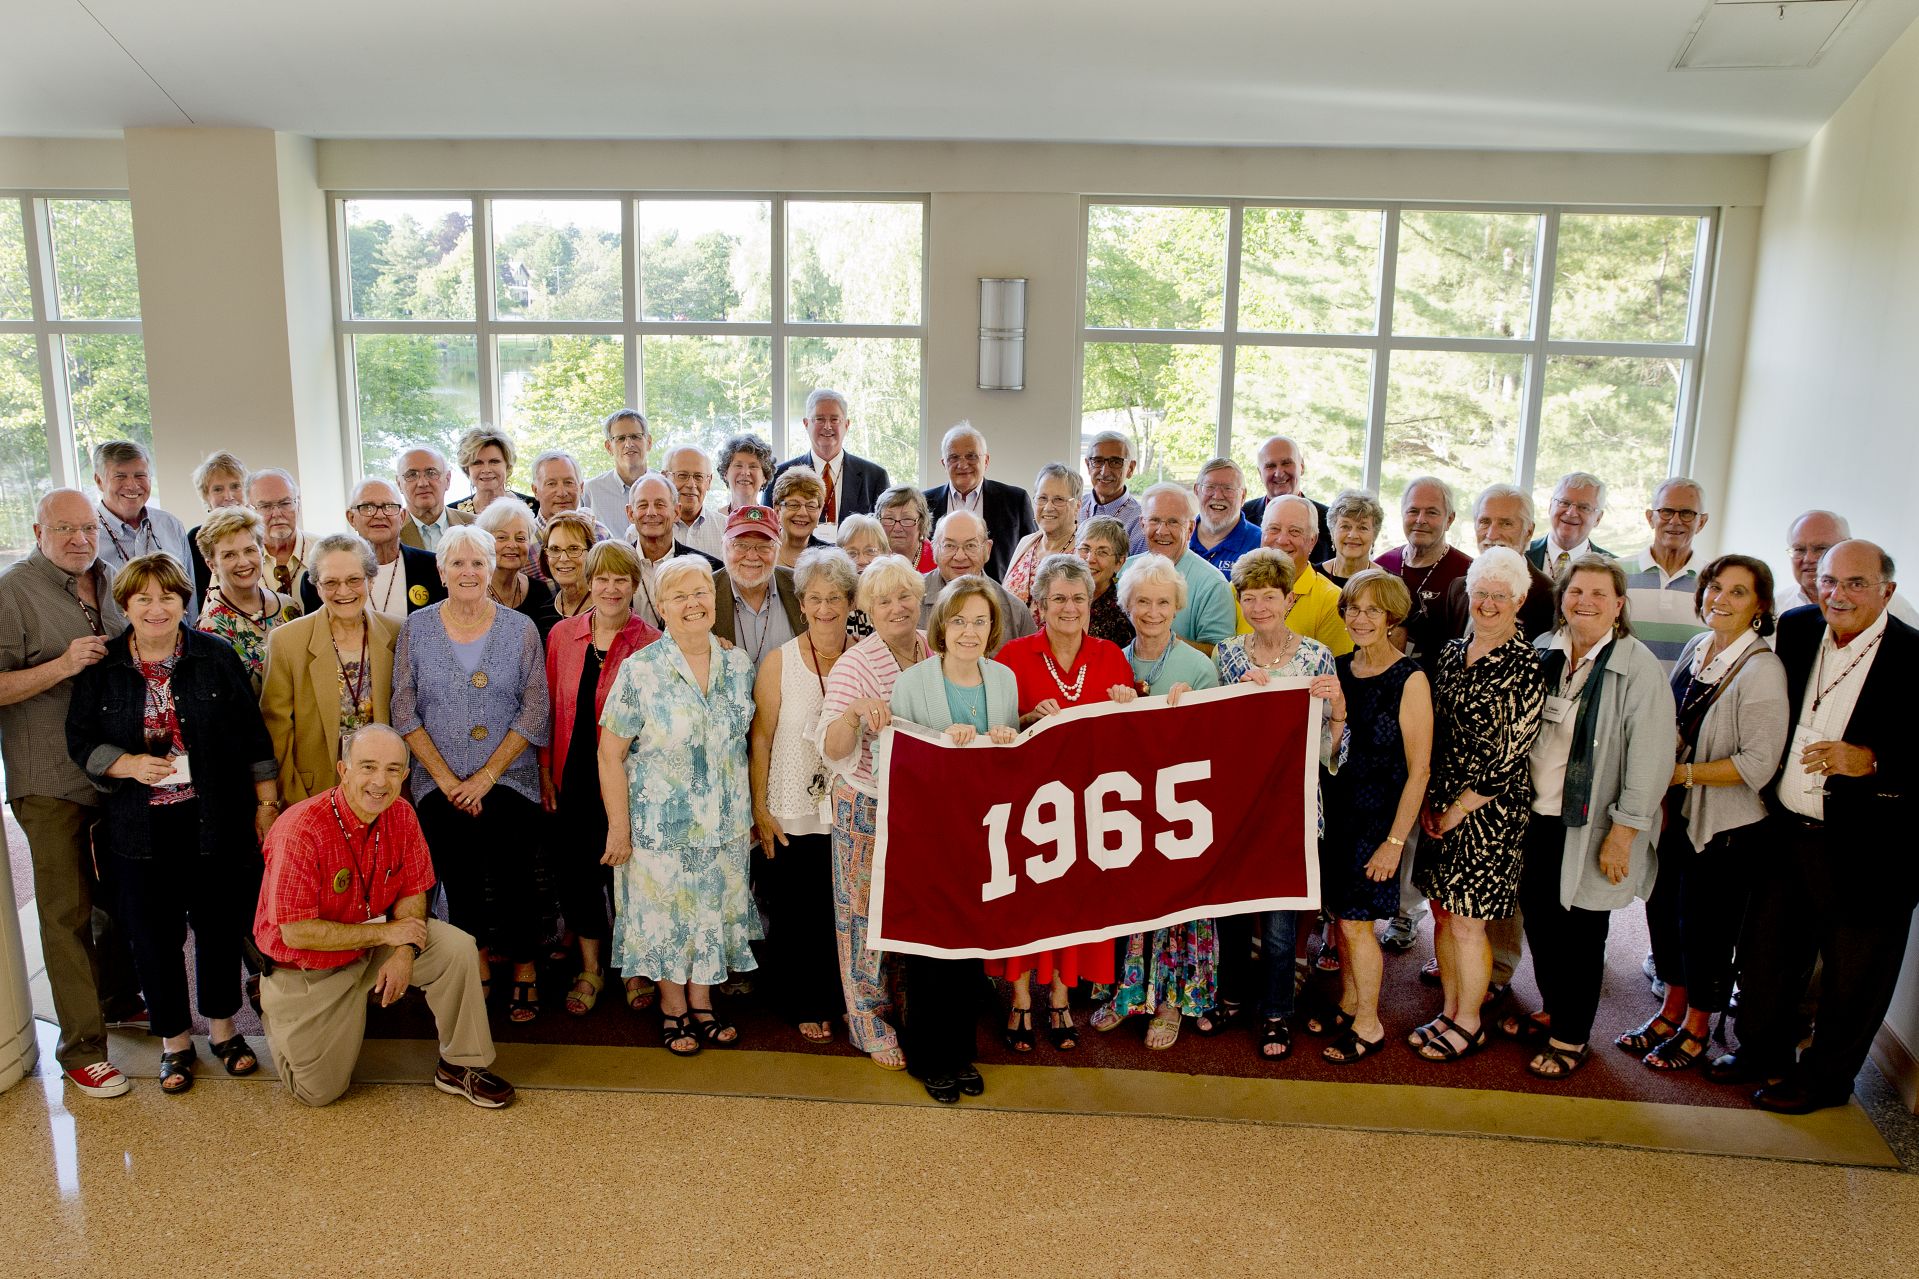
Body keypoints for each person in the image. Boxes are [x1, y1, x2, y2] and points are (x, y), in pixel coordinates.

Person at [1710, 541, 1917, 1113]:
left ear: (1886, 591)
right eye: (1829, 581)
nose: (1838, 594)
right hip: (1786, 832)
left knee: (1854, 978)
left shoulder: (1914, 655)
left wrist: (1872, 760)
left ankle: (1826, 1081)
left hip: (1872, 848)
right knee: (1767, 954)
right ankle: (1761, 1053)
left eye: (1855, 583)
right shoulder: (1799, 629)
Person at [66, 553, 281, 1095]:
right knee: (152, 936)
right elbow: (81, 741)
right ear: (126, 606)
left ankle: (224, 1031)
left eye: (168, 597)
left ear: (184, 601)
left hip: (214, 820)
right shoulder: (104, 666)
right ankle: (174, 1043)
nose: (157, 609)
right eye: (144, 599)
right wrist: (128, 764)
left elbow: (254, 738)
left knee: (216, 929)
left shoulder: (215, 656)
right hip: (137, 828)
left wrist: (264, 805)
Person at [252, 724, 513, 1109]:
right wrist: (388, 936)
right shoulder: (299, 829)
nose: (380, 781)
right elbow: (296, 932)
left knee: (456, 947)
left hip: (373, 943)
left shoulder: (402, 815)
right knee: (319, 1093)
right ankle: (274, 1004)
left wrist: (405, 950)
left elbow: (413, 889)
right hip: (309, 967)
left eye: (393, 770)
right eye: (368, 767)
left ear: (405, 776)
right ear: (343, 770)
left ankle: (461, 1065)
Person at [1510, 554, 1673, 1081]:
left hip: (1593, 823)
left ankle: (1572, 1037)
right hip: (1537, 813)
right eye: (1576, 592)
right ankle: (1555, 1007)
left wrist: (1624, 833)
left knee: (1581, 933)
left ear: (1619, 605)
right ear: (1562, 599)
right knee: (1540, 918)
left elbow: (1651, 760)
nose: (1585, 602)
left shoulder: (1637, 666)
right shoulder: (1542, 652)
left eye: (1599, 594)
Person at [1622, 554, 1787, 1070]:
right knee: (1664, 914)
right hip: (1677, 814)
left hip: (1725, 828)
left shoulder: (1761, 670)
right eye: (1715, 586)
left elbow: (1758, 764)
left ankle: (1697, 1027)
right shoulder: (1699, 648)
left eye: (1738, 592)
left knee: (1705, 929)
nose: (1721, 598)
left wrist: (1685, 774)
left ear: (1759, 605)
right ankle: (1670, 1010)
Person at [0, 490, 140, 1098]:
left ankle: (112, 999)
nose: (80, 538)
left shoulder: (107, 581)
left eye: (88, 527)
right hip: (47, 777)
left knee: (118, 898)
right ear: (38, 530)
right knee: (64, 912)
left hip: (109, 770)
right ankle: (82, 1049)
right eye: (65, 528)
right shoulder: (13, 591)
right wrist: (61, 666)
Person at [601, 555, 762, 1056]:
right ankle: (674, 1010)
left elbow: (748, 743)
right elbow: (609, 753)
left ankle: (703, 1002)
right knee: (668, 919)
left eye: (700, 593)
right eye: (679, 596)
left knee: (709, 916)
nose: (693, 603)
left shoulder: (738, 664)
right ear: (661, 607)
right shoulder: (640, 669)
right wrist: (618, 828)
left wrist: (754, 814)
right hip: (659, 831)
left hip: (725, 825)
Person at [392, 524, 551, 1023]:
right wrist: (444, 780)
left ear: (492, 569)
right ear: (440, 571)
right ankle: (474, 962)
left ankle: (525, 966)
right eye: (456, 563)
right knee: (457, 873)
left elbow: (536, 709)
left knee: (515, 870)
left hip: (508, 776)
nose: (467, 572)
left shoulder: (519, 628)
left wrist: (485, 777)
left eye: (477, 562)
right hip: (437, 780)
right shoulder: (416, 628)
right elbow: (403, 710)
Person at [991, 555, 1136, 1050]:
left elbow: (1133, 739)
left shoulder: (1112, 657)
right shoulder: (1012, 656)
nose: (1069, 607)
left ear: (1090, 605)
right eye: (1058, 599)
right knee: (1024, 905)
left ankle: (1058, 999)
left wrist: (1126, 702)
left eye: (1078, 598)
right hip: (1026, 806)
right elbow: (999, 727)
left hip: (1087, 808)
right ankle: (1020, 1000)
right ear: (1039, 605)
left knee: (1071, 906)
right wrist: (1030, 715)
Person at [1207, 548, 1344, 1060]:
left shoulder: (1316, 658)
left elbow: (1334, 757)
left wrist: (1337, 713)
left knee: (1283, 927)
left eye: (1270, 596)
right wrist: (1235, 703)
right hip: (1238, 808)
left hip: (1294, 809)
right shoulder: (1226, 657)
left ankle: (1276, 1014)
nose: (1260, 606)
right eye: (1250, 597)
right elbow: (1209, 740)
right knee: (1234, 918)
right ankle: (1233, 998)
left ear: (1289, 600)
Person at [888, 575, 1021, 1100]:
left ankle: (961, 1050)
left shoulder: (1004, 680)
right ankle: (928, 1057)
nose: (970, 631)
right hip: (928, 838)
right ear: (942, 624)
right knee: (928, 955)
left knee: (969, 950)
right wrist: (941, 741)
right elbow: (898, 757)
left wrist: (1006, 736)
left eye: (981, 621)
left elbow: (1009, 767)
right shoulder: (913, 682)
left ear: (993, 629)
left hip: (983, 838)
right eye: (960, 620)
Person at [1411, 547, 1545, 1064]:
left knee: (1468, 922)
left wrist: (1457, 809)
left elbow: (1506, 759)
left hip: (1486, 813)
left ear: (1520, 600)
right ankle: (1448, 1009)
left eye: (1499, 596)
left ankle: (1470, 1023)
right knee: (1443, 916)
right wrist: (1430, 800)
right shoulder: (1450, 653)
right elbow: (1436, 733)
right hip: (1440, 801)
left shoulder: (1523, 665)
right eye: (1480, 593)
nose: (1487, 604)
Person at [1087, 554, 1221, 1048]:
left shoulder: (1198, 666)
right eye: (1142, 601)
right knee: (1127, 905)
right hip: (1126, 810)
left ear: (1177, 607)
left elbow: (1218, 747)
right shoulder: (1110, 661)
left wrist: (1195, 711)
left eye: (1163, 602)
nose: (1152, 610)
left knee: (1176, 908)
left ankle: (1170, 1005)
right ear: (1126, 605)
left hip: (1180, 811)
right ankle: (1126, 995)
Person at [1307, 569, 1431, 1064]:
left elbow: (1419, 769)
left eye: (1373, 610)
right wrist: (1337, 716)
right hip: (1336, 813)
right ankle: (1349, 1001)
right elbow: (1330, 753)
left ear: (1392, 617)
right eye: (1353, 609)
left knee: (1359, 926)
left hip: (1379, 822)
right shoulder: (1337, 667)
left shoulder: (1410, 677)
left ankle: (1369, 1024)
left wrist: (1394, 842)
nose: (1360, 619)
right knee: (1342, 918)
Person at [817, 555, 927, 1070]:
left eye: (904, 595)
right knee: (862, 916)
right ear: (868, 609)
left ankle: (909, 1009)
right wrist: (854, 713)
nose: (897, 607)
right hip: (866, 803)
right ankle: (866, 1019)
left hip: (922, 806)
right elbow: (831, 749)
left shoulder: (935, 647)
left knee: (910, 915)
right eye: (884, 600)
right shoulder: (856, 664)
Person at [541, 540, 660, 1018]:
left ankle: (632, 966)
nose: (610, 588)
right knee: (579, 875)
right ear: (588, 582)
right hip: (572, 775)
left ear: (634, 585)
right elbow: (548, 708)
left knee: (628, 876)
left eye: (621, 579)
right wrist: (547, 773)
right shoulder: (561, 637)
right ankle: (590, 967)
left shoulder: (651, 643)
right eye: (602, 579)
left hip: (629, 780)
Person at [752, 548, 859, 1044]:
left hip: (846, 808)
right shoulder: (780, 661)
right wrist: (760, 807)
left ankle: (840, 1000)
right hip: (790, 804)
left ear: (850, 601)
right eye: (814, 598)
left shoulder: (864, 656)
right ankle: (802, 1000)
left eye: (834, 597)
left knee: (838, 910)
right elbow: (761, 738)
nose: (824, 608)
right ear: (801, 603)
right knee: (795, 910)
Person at [260, 533, 403, 804]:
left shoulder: (398, 634)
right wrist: (292, 798)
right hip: (314, 792)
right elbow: (276, 732)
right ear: (316, 586)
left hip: (384, 792)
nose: (344, 591)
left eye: (354, 580)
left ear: (370, 580)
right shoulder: (288, 641)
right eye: (331, 583)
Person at [297, 478, 444, 618]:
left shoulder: (434, 567)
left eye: (389, 506)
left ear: (402, 517)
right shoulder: (320, 577)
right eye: (367, 507)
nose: (379, 515)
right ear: (351, 518)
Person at [195, 506, 299, 689]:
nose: (243, 562)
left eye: (250, 550)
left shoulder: (288, 606)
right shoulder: (209, 629)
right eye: (229, 555)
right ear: (212, 565)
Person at [1376, 476, 1473, 669]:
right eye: (1413, 511)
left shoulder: (1468, 573)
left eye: (1432, 513)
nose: (1421, 520)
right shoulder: (1381, 566)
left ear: (1449, 519)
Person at [1441, 483, 1556, 642]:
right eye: (1485, 521)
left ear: (1528, 531)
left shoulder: (1549, 596)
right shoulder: (1457, 587)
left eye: (1506, 523)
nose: (1492, 534)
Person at [92, 440, 196, 614]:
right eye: (120, 476)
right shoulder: (87, 534)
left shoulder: (171, 525)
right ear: (99, 481)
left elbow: (189, 596)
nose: (132, 485)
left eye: (140, 475)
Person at [765, 389, 892, 529]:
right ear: (806, 424)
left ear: (847, 425)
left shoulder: (874, 477)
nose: (827, 426)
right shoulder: (779, 475)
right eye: (819, 419)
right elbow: (768, 530)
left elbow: (884, 535)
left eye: (834, 419)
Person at [924, 422, 1036, 579]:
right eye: (954, 457)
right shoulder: (924, 502)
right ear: (944, 463)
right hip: (938, 599)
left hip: (997, 598)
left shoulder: (1014, 500)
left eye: (971, 456)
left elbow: (1032, 555)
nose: (962, 465)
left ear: (986, 460)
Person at [1624, 477, 1712, 673]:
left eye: (1687, 513)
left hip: (1685, 699)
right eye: (1666, 511)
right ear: (1650, 518)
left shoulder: (1715, 582)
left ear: (1702, 522)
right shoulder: (1616, 573)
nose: (1675, 521)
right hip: (1622, 697)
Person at [917, 509, 1036, 653]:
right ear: (935, 549)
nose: (960, 556)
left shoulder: (1016, 612)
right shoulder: (911, 598)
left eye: (970, 546)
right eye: (949, 545)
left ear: (987, 549)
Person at [1774, 509, 1919, 625]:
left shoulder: (1893, 607)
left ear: (1847, 546)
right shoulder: (1776, 607)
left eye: (1820, 548)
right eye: (1799, 549)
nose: (1809, 558)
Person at [1138, 483, 1235, 654]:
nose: (1162, 531)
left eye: (1173, 522)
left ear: (1190, 528)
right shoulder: (1125, 570)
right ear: (1142, 524)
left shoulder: (1213, 584)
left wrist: (1163, 640)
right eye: (1154, 520)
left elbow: (1220, 654)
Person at [713, 505, 805, 675]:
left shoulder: (801, 586)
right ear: (724, 546)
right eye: (740, 545)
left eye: (764, 546)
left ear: (778, 549)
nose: (752, 556)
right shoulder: (705, 593)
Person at [1257, 494, 1352, 656]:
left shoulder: (1332, 601)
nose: (1282, 540)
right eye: (1274, 529)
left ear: (1312, 541)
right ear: (1261, 533)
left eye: (1294, 532)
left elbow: (1337, 673)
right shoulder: (1238, 588)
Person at [627, 472, 722, 628]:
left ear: (677, 512)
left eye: (660, 504)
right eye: (643, 505)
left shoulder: (711, 569)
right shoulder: (615, 566)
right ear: (630, 513)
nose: (651, 512)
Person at [476, 499, 561, 640]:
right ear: (484, 542)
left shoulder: (541, 592)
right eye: (502, 537)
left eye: (520, 538)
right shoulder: (470, 591)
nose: (512, 544)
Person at [1241, 435, 1333, 564]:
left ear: (1301, 466)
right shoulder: (1242, 517)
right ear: (1260, 473)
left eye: (1286, 463)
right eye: (1270, 466)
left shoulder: (1329, 522)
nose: (1279, 473)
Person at [1001, 463, 1083, 607]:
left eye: (1058, 500)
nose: (1048, 507)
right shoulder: (1026, 543)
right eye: (1042, 498)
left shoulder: (1083, 553)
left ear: (1077, 506)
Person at [528, 451, 616, 573]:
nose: (562, 493)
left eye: (568, 482)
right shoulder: (524, 541)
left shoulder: (600, 534)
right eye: (551, 484)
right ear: (535, 490)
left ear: (581, 487)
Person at [245, 468, 316, 602]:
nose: (277, 514)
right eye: (265, 506)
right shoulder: (237, 561)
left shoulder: (327, 552)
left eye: (285, 503)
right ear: (250, 511)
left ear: (298, 505)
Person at [186, 449, 247, 598]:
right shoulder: (195, 538)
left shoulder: (259, 531)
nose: (228, 496)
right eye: (218, 489)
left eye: (235, 486)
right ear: (206, 496)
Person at [1527, 471, 1611, 574]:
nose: (1571, 513)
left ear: (1598, 518)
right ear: (1550, 506)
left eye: (1584, 507)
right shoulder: (1521, 556)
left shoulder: (1613, 568)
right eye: (1564, 503)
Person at [396, 445, 474, 552]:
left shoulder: (476, 525)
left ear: (448, 479)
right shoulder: (389, 532)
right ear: (399, 484)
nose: (422, 483)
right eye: (412, 475)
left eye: (431, 473)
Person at [1190, 458, 1261, 573]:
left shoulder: (1260, 544)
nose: (1218, 496)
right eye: (1210, 487)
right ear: (1196, 491)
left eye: (1228, 488)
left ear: (1243, 496)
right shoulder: (1178, 537)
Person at [450, 426, 539, 517]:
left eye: (494, 461)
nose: (486, 470)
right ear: (466, 469)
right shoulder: (452, 514)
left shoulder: (535, 508)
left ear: (507, 466)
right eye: (477, 463)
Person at [584, 409, 652, 524]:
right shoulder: (591, 491)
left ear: (649, 442)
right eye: (620, 438)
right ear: (609, 447)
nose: (629, 444)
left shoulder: (667, 486)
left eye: (636, 436)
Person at [1076, 515, 1134, 647]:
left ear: (1119, 562)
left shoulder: (1122, 616)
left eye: (1102, 552)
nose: (1090, 559)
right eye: (1085, 549)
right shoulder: (1061, 595)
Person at [1079, 429, 1142, 547]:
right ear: (1088, 466)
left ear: (1130, 469)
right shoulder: (1073, 509)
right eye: (1097, 461)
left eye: (1116, 462)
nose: (1105, 472)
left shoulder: (1140, 520)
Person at [663, 444, 724, 558]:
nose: (691, 484)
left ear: (709, 482)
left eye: (698, 476)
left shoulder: (726, 530)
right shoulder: (640, 532)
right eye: (682, 475)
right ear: (665, 478)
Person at [1316, 489, 1384, 588]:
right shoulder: (1314, 575)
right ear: (1332, 532)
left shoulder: (1388, 584)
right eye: (1345, 526)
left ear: (1374, 535)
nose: (1353, 535)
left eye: (1362, 528)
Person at [835, 514, 887, 638]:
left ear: (886, 553)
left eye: (870, 551)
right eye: (852, 553)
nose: (862, 560)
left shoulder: (895, 596)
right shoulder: (836, 600)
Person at [541, 510, 599, 621]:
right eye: (555, 549)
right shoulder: (543, 613)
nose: (563, 558)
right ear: (546, 557)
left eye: (573, 549)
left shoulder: (608, 607)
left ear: (591, 552)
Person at [771, 466, 832, 569]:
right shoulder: (762, 551)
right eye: (794, 505)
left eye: (811, 506)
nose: (803, 513)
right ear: (777, 510)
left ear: (820, 511)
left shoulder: (830, 557)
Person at [877, 483, 936, 572]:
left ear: (922, 522)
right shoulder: (868, 558)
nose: (897, 528)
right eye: (889, 518)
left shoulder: (937, 560)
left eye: (907, 519)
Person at [717, 432, 776, 517]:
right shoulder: (713, 521)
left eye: (753, 466)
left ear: (765, 476)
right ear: (725, 473)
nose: (745, 472)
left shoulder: (773, 522)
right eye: (738, 465)